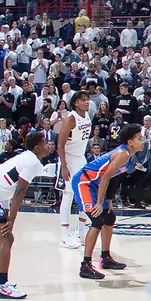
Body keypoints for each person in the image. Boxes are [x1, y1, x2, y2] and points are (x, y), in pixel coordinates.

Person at [0, 131, 55, 300]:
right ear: (37, 147)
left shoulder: (26, 157)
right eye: (45, 143)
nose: (48, 145)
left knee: (2, 237)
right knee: (7, 237)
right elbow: (20, 191)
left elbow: (9, 184)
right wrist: (12, 219)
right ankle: (2, 286)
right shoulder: (33, 162)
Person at [71, 125, 145, 279]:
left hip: (95, 184)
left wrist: (109, 199)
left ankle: (105, 258)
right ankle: (85, 265)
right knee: (97, 220)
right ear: (130, 142)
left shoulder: (129, 155)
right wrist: (99, 203)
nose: (142, 140)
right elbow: (105, 176)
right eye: (139, 138)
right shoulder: (122, 154)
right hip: (84, 182)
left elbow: (114, 177)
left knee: (109, 218)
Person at [55, 92, 93, 250]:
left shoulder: (87, 115)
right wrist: (64, 165)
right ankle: (64, 235)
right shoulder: (71, 118)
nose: (86, 102)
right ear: (75, 103)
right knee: (68, 194)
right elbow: (60, 144)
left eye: (87, 99)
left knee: (86, 194)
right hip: (68, 158)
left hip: (80, 158)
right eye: (83, 100)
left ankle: (81, 232)